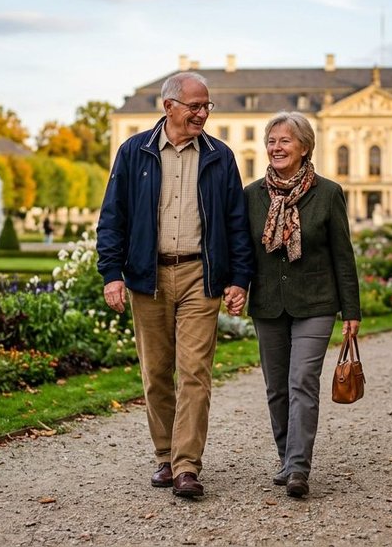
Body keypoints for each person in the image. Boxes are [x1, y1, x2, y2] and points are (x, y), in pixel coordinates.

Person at [96, 71, 254, 499]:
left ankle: (186, 466)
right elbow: (113, 217)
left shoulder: (220, 156)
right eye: (195, 106)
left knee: (195, 372)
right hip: (147, 276)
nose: (202, 114)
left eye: (207, 106)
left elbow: (236, 224)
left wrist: (239, 279)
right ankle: (165, 456)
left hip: (200, 276)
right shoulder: (134, 152)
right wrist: (111, 273)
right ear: (169, 107)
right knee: (156, 373)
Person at [244, 112, 361, 500]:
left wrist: (352, 311)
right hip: (268, 302)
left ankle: (298, 468)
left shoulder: (328, 193)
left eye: (285, 141)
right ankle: (286, 458)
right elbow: (243, 250)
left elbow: (343, 255)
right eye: (271, 141)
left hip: (316, 302)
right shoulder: (251, 195)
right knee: (276, 388)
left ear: (305, 147)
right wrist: (235, 285)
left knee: (302, 382)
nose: (276, 148)